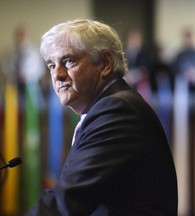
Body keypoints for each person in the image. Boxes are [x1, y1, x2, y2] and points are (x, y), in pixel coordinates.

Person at [26, 19, 178, 216]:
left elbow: (66, 201)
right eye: (51, 65)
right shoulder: (107, 108)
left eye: (69, 61)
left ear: (105, 64)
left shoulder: (117, 111)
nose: (58, 75)